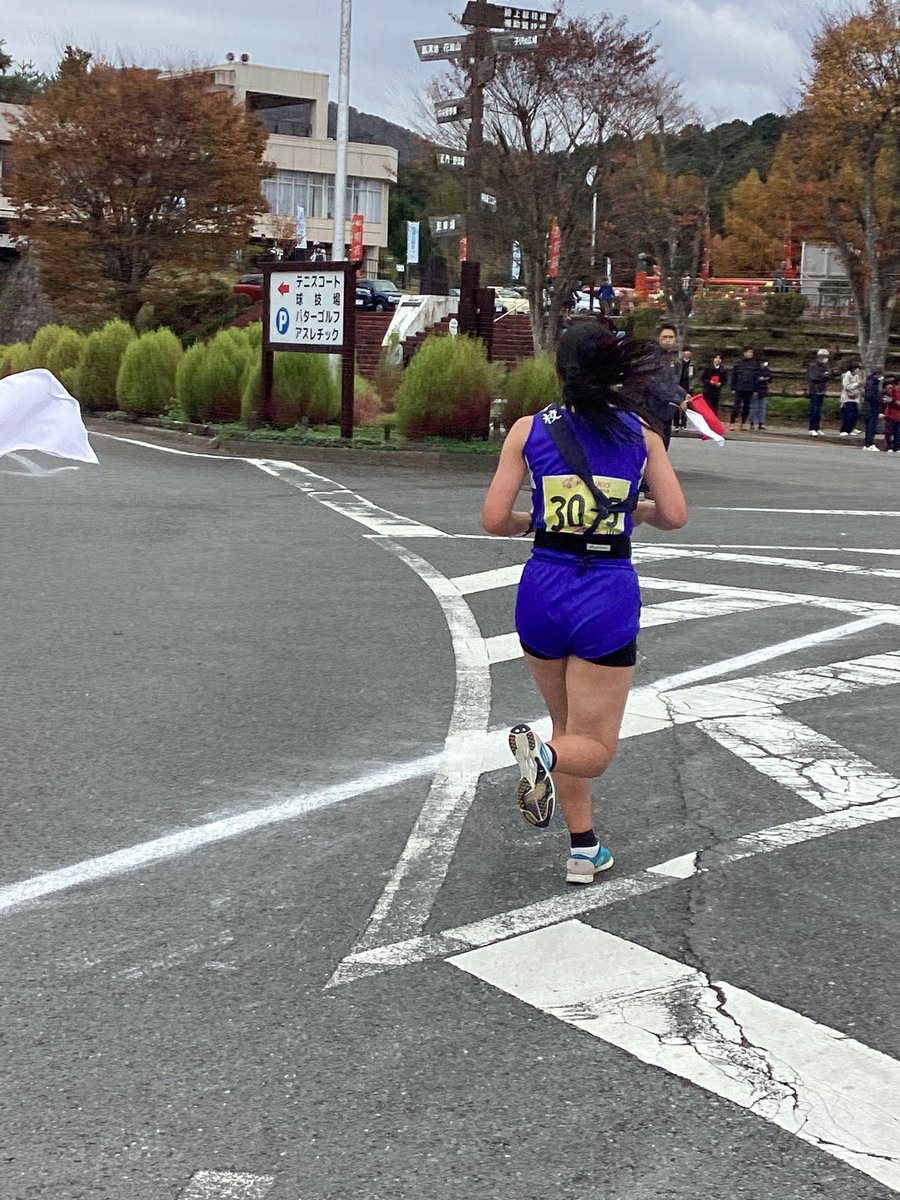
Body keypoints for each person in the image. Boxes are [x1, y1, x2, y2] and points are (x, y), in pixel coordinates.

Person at [481, 322, 688, 884]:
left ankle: (583, 847)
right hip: (606, 590)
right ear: (615, 372)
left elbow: (494, 520)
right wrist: (638, 511)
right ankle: (543, 758)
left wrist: (534, 521)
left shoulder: (528, 429)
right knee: (591, 745)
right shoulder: (641, 434)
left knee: (567, 723)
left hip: (543, 586)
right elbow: (675, 515)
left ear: (559, 372)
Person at [729, 346, 758, 430]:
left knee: (747, 407)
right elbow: (734, 376)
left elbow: (756, 377)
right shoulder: (738, 363)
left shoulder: (755, 364)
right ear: (744, 353)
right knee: (736, 406)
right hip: (739, 387)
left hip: (749, 388)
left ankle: (743, 422)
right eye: (748, 352)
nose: (750, 354)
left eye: (751, 352)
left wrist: (756, 389)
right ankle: (732, 422)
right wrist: (733, 388)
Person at [807, 348, 831, 437]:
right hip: (815, 390)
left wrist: (825, 375)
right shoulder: (813, 366)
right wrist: (824, 376)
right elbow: (814, 378)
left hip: (822, 390)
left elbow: (829, 375)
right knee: (814, 410)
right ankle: (812, 428)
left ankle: (817, 427)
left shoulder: (825, 366)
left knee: (819, 410)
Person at [839, 360, 864, 437]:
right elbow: (846, 386)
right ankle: (844, 430)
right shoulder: (847, 375)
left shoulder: (856, 376)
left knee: (854, 414)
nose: (859, 370)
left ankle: (850, 429)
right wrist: (857, 384)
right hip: (848, 398)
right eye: (858, 369)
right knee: (848, 414)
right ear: (854, 368)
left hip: (855, 397)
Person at [674, 345, 694, 428]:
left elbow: (694, 375)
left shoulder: (692, 364)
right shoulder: (678, 363)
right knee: (676, 403)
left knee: (686, 405)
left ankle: (684, 422)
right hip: (678, 385)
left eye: (689, 351)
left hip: (687, 385)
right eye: (685, 351)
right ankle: (676, 422)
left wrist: (692, 385)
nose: (687, 353)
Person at [863, 369, 884, 451]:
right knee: (871, 426)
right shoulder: (872, 383)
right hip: (872, 407)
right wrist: (879, 400)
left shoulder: (871, 382)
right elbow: (871, 396)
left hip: (870, 407)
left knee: (869, 426)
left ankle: (867, 443)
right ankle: (870, 443)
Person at [749, 360, 773, 430]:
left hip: (763, 391)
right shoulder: (755, 370)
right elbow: (753, 380)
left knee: (762, 408)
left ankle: (761, 423)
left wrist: (767, 378)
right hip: (755, 390)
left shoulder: (767, 370)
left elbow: (770, 378)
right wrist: (754, 390)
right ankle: (752, 422)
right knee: (754, 407)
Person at [883, 377, 900, 453]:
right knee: (890, 431)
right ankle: (890, 446)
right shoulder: (892, 390)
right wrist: (895, 401)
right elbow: (888, 400)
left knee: (897, 432)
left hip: (898, 414)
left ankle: (897, 447)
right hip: (891, 413)